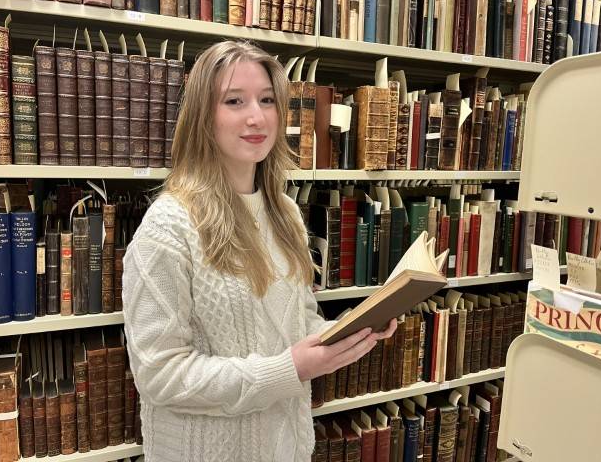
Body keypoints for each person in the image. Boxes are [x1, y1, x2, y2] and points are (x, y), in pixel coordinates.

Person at [122, 40, 397, 462]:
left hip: (285, 447)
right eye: (234, 100)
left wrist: (350, 331)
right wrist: (291, 368)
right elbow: (160, 375)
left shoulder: (284, 211)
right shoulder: (168, 227)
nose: (257, 116)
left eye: (267, 100)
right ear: (203, 116)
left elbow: (298, 322)